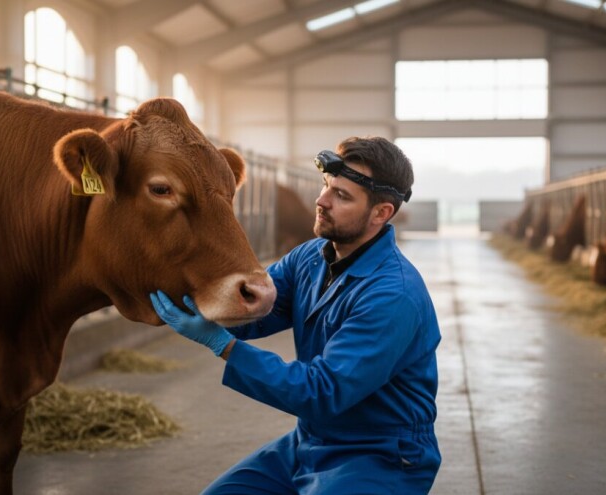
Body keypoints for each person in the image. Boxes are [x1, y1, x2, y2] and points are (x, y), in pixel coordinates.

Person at [150, 136, 441, 494]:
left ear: (380, 214)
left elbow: (322, 392)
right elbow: (253, 310)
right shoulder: (309, 258)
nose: (322, 201)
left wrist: (223, 345)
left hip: (379, 455)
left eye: (342, 196)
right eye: (326, 185)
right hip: (310, 441)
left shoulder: (393, 295)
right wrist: (200, 299)